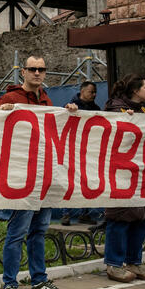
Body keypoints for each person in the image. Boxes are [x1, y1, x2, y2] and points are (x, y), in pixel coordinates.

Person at [0, 53, 77, 289]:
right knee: (17, 231)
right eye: (32, 69)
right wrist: (3, 113)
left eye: (41, 69)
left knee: (39, 231)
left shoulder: (47, 101)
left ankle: (39, 280)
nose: (37, 73)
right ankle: (9, 284)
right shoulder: (10, 99)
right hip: (22, 177)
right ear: (23, 72)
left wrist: (69, 113)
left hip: (44, 176)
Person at [102, 74, 145, 282]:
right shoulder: (114, 109)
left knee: (142, 217)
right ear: (136, 91)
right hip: (121, 173)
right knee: (120, 218)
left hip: (142, 173)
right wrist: (124, 121)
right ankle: (114, 264)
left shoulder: (144, 111)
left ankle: (133, 263)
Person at [61, 81, 103, 226]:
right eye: (91, 91)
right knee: (71, 182)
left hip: (89, 150)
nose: (94, 94)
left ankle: (84, 214)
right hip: (72, 149)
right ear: (83, 91)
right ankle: (66, 213)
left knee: (88, 181)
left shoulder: (96, 109)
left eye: (95, 91)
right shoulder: (70, 106)